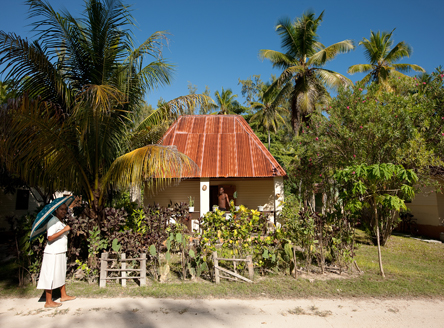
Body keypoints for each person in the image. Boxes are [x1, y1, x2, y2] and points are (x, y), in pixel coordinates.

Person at [36, 203, 76, 308]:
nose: (63, 211)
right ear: (56, 210)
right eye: (61, 209)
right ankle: (48, 302)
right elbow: (49, 238)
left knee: (60, 273)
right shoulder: (52, 221)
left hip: (60, 251)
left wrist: (64, 229)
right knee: (50, 275)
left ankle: (63, 295)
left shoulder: (59, 221)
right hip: (53, 253)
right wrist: (64, 230)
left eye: (65, 209)